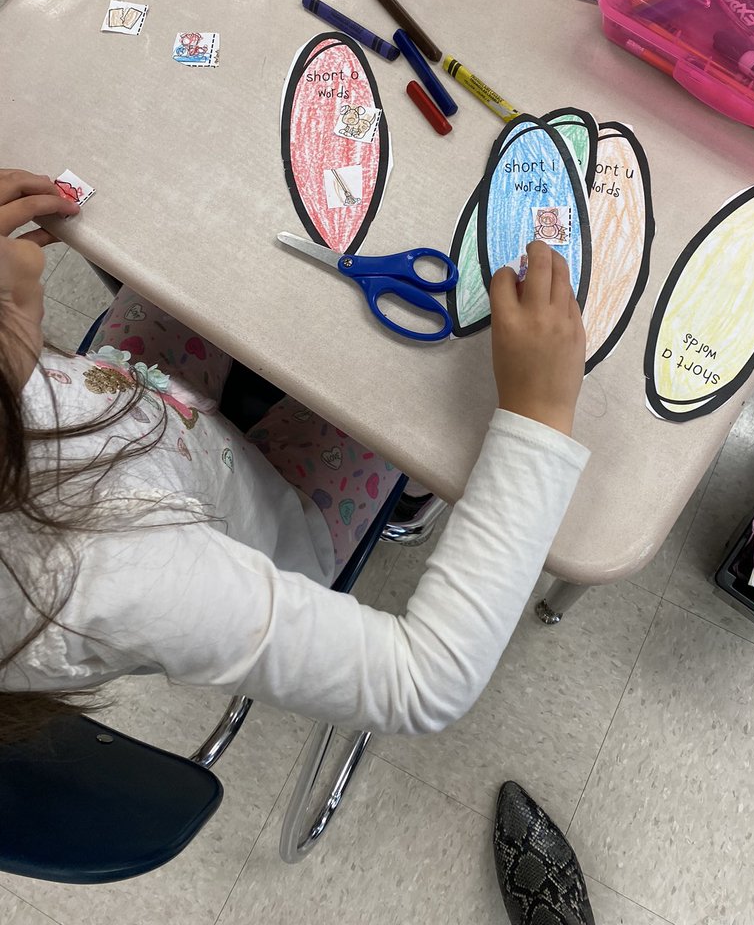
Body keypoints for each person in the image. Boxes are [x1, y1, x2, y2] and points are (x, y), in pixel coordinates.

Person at [0, 168, 589, 742]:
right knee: (408, 381)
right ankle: (405, 501)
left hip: (137, 404)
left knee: (206, 231)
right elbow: (425, 682)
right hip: (279, 525)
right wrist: (540, 411)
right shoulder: (105, 576)